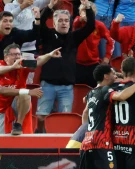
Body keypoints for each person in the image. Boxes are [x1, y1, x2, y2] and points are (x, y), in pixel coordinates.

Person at [36, 0, 95, 132]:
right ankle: (41, 138)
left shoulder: (74, 37)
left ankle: (60, 147)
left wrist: (89, 7)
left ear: (69, 23)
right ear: (54, 23)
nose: (63, 23)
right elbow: (40, 22)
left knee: (63, 119)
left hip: (66, 88)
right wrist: (50, 6)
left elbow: (90, 26)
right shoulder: (48, 35)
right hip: (47, 85)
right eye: (60, 20)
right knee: (41, 118)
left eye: (66, 20)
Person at [0, 43, 62, 135]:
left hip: (20, 105)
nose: (17, 57)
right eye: (14, 54)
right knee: (1, 141)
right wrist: (12, 67)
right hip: (3, 110)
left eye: (18, 54)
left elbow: (37, 61)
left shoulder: (23, 64)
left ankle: (18, 124)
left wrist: (49, 55)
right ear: (6, 57)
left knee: (25, 95)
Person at [73, 2, 114, 87]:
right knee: (77, 89)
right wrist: (80, 19)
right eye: (83, 11)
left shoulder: (99, 25)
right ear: (80, 12)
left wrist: (107, 57)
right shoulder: (77, 22)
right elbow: (74, 24)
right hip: (77, 63)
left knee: (93, 88)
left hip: (93, 63)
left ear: (94, 13)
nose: (85, 13)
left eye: (88, 11)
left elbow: (111, 40)